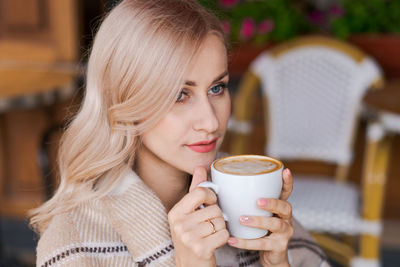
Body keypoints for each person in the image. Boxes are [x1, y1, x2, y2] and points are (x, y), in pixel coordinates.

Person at [30, 0, 330, 266]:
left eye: (217, 88)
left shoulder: (250, 200)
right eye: (179, 95)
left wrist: (277, 264)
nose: (211, 122)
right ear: (124, 101)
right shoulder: (71, 247)